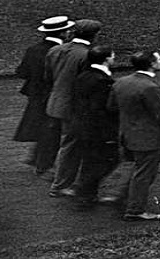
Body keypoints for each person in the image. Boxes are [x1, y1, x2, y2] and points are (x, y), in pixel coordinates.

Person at [109, 50, 160, 221]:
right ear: (152, 64)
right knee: (145, 174)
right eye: (159, 59)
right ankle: (135, 210)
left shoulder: (120, 82)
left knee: (139, 168)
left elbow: (112, 107)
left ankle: (122, 198)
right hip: (148, 137)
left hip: (128, 134)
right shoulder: (149, 87)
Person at [44, 19, 103, 197]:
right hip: (75, 108)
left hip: (56, 103)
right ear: (94, 35)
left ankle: (65, 182)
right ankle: (60, 185)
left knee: (69, 143)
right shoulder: (87, 54)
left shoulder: (55, 50)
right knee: (71, 145)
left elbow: (48, 78)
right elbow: (85, 85)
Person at [14, 15, 74, 176]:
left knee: (43, 126)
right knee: (52, 130)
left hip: (35, 94)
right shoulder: (61, 52)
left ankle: (35, 158)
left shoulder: (33, 49)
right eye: (67, 30)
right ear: (62, 33)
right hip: (52, 95)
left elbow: (22, 72)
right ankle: (44, 165)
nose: (69, 33)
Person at [70, 45, 118, 206]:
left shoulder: (84, 76)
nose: (114, 58)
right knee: (106, 160)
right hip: (98, 128)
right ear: (106, 59)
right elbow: (101, 108)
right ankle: (85, 192)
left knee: (91, 160)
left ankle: (86, 192)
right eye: (112, 56)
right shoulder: (102, 80)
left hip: (82, 125)